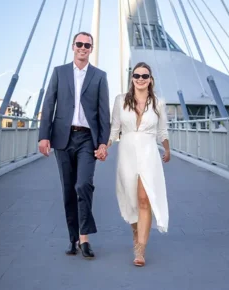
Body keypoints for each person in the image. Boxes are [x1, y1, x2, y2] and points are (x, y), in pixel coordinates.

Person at [38, 32, 110, 259]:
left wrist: (103, 143)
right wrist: (43, 135)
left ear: (91, 49)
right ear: (73, 46)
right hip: (63, 137)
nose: (83, 48)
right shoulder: (59, 72)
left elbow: (103, 113)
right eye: (79, 44)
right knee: (68, 190)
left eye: (87, 45)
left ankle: (85, 237)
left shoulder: (99, 76)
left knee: (83, 185)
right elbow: (49, 104)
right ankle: (74, 238)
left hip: (87, 139)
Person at [107, 62, 170, 267]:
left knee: (145, 199)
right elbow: (114, 129)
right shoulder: (120, 100)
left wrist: (167, 149)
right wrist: (104, 146)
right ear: (132, 78)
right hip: (126, 153)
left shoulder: (159, 103)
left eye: (145, 75)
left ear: (151, 79)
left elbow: (162, 131)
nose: (140, 79)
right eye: (137, 75)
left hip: (149, 152)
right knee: (132, 200)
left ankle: (140, 249)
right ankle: (136, 234)